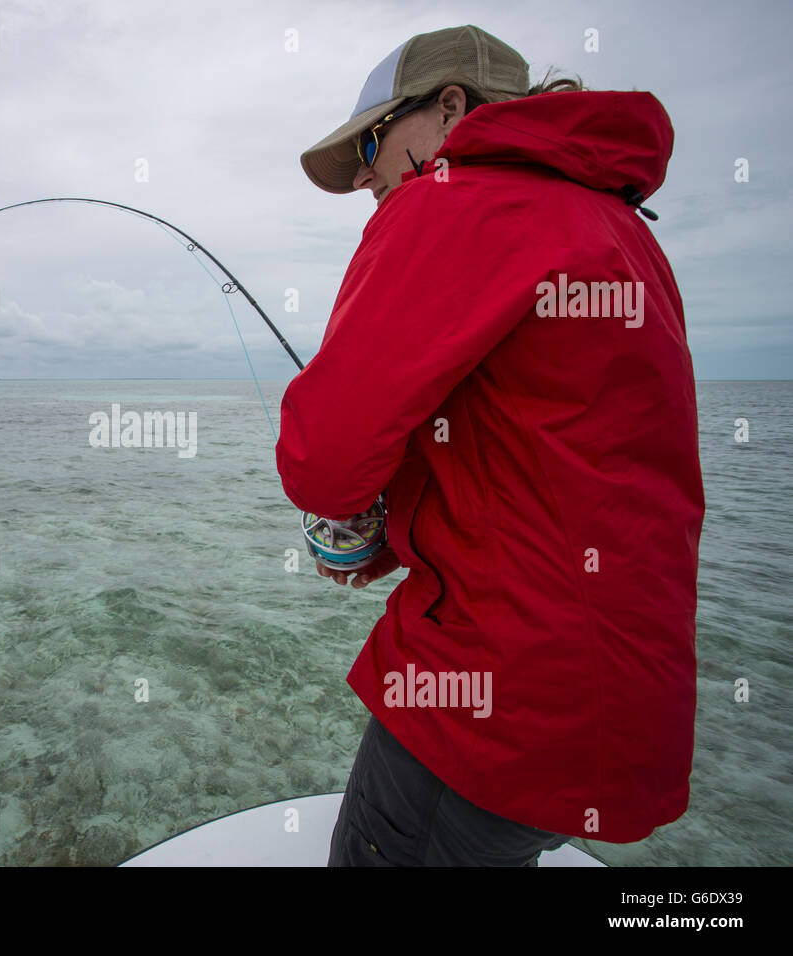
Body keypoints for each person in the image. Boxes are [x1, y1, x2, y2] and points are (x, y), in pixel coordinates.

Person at [276, 24, 705, 866]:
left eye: (370, 143)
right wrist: (395, 530)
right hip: (611, 708)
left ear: (448, 109)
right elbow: (541, 457)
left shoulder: (455, 201)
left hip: (491, 703)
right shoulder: (623, 232)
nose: (366, 174)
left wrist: (348, 515)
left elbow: (321, 459)